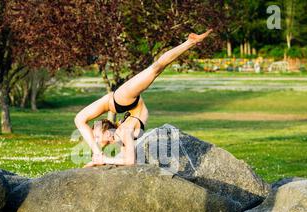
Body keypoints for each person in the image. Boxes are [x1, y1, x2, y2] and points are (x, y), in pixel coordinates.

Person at [74, 29, 213, 167]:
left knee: (155, 69)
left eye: (97, 136)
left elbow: (127, 161)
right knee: (156, 69)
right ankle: (190, 42)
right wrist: (99, 160)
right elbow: (128, 162)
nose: (95, 139)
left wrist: (99, 155)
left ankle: (190, 42)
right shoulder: (122, 135)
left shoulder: (122, 132)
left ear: (107, 133)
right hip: (129, 106)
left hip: (119, 101)